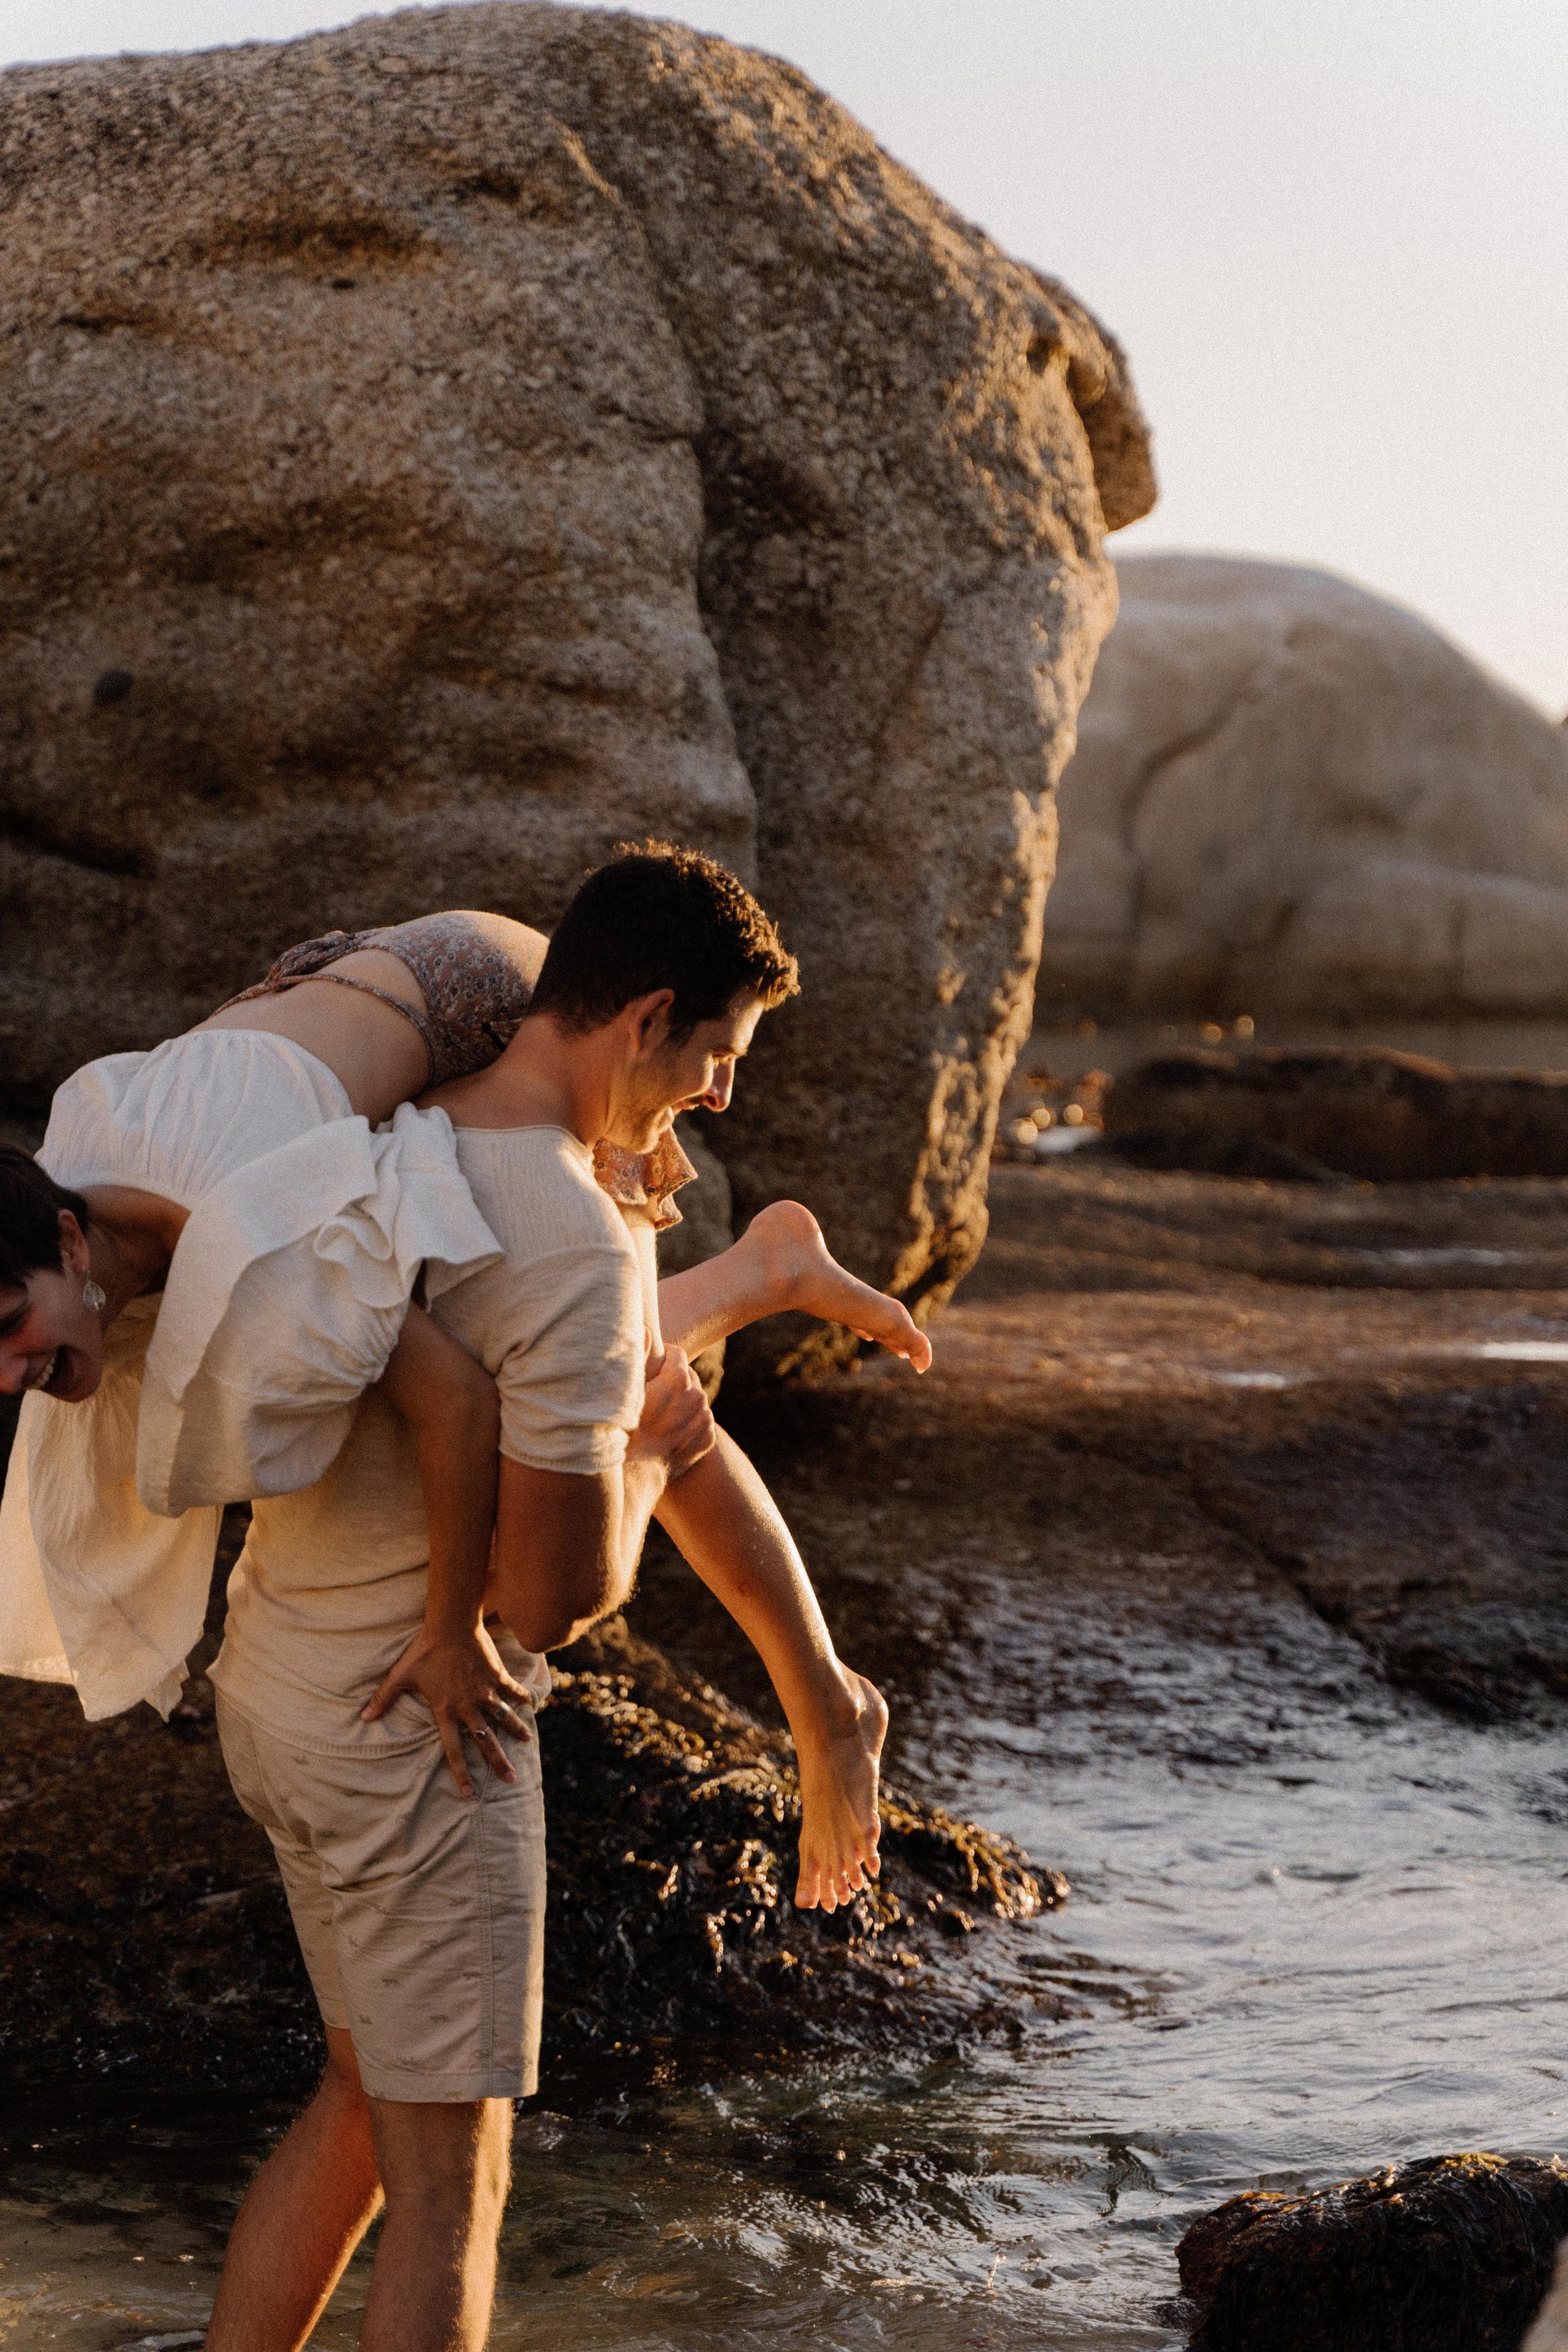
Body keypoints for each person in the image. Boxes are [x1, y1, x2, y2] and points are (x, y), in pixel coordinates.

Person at [191, 846, 860, 2348]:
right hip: (420, 1744)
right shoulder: (569, 1242)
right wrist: (648, 1435)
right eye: (717, 1058)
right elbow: (553, 1602)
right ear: (647, 1019)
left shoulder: (397, 1136)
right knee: (455, 2187)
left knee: (362, 2102)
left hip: (282, 1690)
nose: (718, 1098)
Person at [0, 858, 929, 1903]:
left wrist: (448, 1633)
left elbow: (454, 1399)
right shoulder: (60, 1191)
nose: (9, 1371)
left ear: (73, 1247)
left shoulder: (247, 1221)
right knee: (554, 1351)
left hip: (468, 995)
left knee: (607, 1372)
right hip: (348, 991)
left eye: (9, 1325)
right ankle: (758, 1274)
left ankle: (826, 1704)